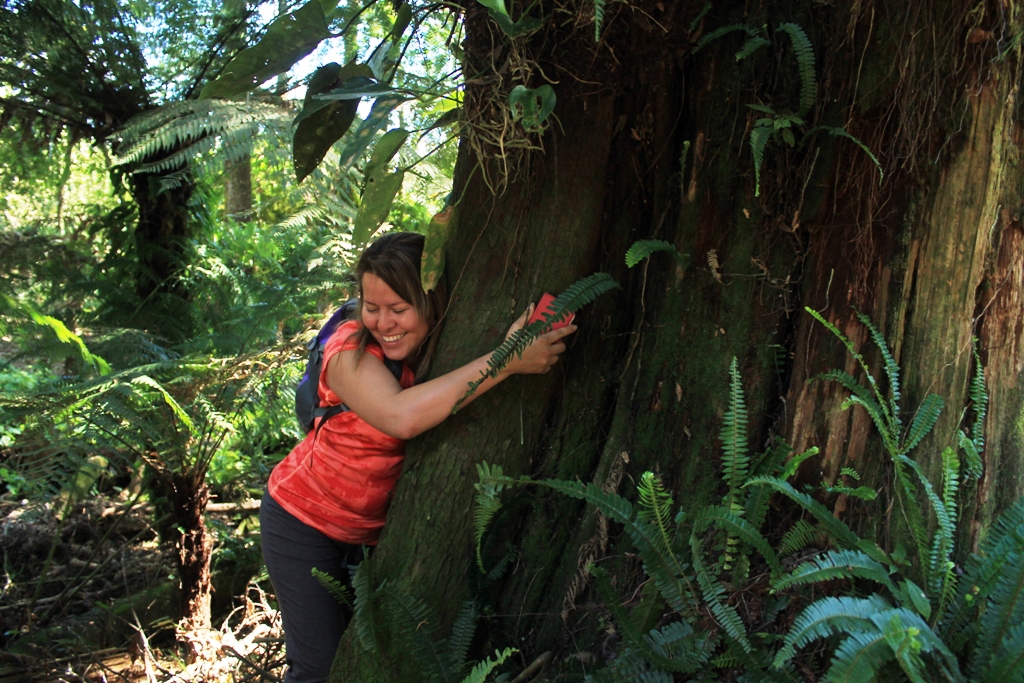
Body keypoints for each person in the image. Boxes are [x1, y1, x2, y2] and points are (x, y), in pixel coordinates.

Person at [260, 232, 576, 683]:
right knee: (319, 669)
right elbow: (399, 417)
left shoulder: (438, 346)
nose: (383, 322)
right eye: (373, 307)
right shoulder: (348, 348)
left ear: (430, 302)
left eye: (399, 309)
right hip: (300, 523)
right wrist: (506, 360)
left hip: (367, 541)